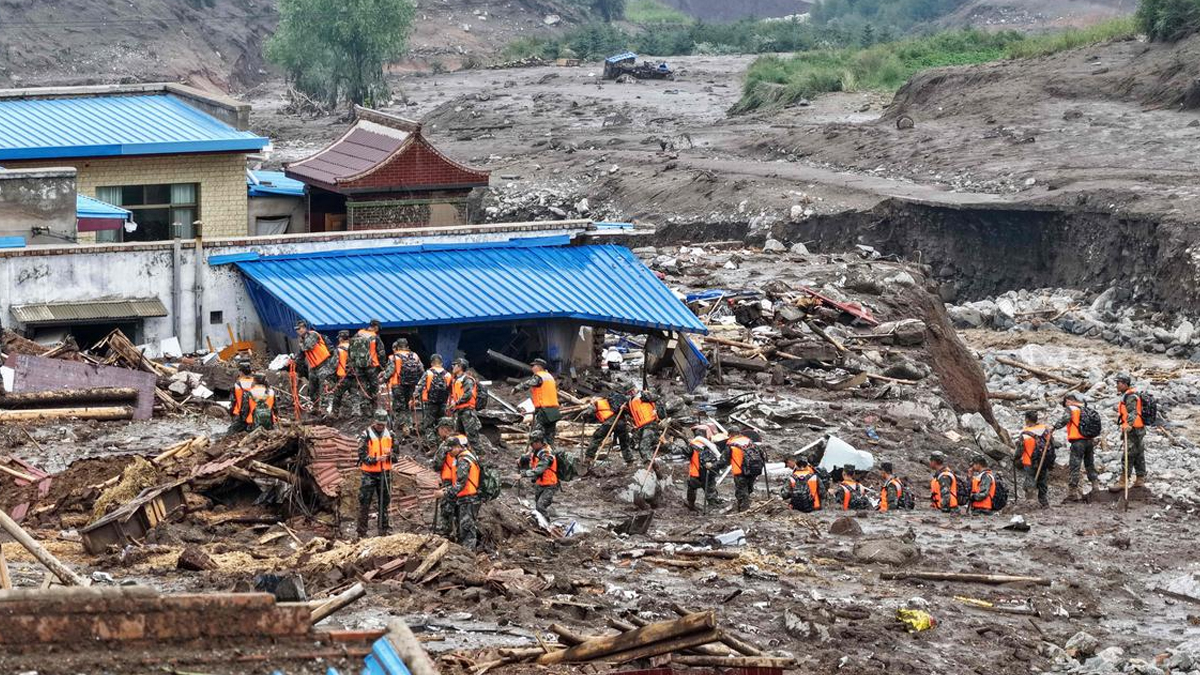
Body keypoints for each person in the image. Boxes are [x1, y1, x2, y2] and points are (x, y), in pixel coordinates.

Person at [356, 411, 397, 538]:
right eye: (379, 424)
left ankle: (383, 531)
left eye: (383, 424)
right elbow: (361, 455)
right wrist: (375, 459)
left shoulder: (390, 435)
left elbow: (396, 455)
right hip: (369, 474)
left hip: (385, 473)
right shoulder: (366, 435)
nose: (380, 427)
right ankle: (362, 533)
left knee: (384, 503)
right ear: (374, 422)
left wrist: (390, 456)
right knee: (364, 503)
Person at [1054, 393, 1099, 500]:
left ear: (1069, 400)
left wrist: (1054, 427)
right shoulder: (1086, 409)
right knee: (1090, 464)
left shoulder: (1071, 409)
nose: (1066, 405)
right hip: (1089, 440)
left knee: (1075, 465)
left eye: (1065, 403)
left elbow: (1064, 420)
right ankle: (1095, 486)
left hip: (1078, 441)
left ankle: (1072, 492)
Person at [381, 338, 424, 436]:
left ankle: (402, 429)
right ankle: (409, 425)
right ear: (407, 346)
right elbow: (421, 370)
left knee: (399, 407)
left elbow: (390, 371)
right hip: (411, 384)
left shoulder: (393, 357)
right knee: (408, 405)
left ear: (397, 346)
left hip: (398, 385)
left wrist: (383, 379)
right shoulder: (415, 355)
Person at [446, 436, 481, 549]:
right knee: (464, 527)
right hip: (467, 497)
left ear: (457, 447)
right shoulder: (464, 456)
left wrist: (445, 492)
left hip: (468, 498)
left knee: (467, 529)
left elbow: (461, 483)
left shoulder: (463, 460)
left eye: (450, 449)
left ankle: (468, 553)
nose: (449, 453)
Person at [514, 358, 560, 444]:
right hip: (553, 411)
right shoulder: (549, 376)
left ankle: (538, 451)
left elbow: (529, 383)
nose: (532, 368)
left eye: (533, 366)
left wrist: (517, 387)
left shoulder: (539, 376)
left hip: (544, 410)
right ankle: (550, 450)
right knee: (549, 435)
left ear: (539, 367)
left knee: (538, 435)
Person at [413, 354, 453, 449]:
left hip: (430, 403)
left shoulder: (428, 373)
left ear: (431, 363)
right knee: (441, 424)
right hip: (443, 403)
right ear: (441, 363)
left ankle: (433, 446)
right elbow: (451, 390)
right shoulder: (448, 375)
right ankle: (442, 444)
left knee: (428, 425)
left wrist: (415, 398)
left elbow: (420, 386)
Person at [447, 358, 487, 454]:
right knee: (460, 436)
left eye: (455, 365)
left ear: (460, 367)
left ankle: (481, 458)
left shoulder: (467, 380)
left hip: (467, 412)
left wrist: (456, 403)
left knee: (472, 439)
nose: (453, 367)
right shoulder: (456, 380)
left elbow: (468, 394)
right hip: (460, 411)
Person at [1116, 374, 1149, 488]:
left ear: (1125, 384)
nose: (1117, 385)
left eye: (1118, 383)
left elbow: (1133, 412)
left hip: (1133, 429)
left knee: (1128, 454)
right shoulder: (1131, 394)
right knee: (1139, 453)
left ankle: (1123, 481)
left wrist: (1128, 425)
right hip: (1139, 428)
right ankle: (1140, 479)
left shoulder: (1130, 396)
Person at [294, 320, 334, 412]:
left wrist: (300, 345)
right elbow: (301, 355)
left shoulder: (312, 335)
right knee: (312, 388)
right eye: (297, 329)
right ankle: (315, 407)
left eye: (300, 328)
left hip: (324, 364)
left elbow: (308, 346)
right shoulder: (302, 340)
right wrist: (294, 361)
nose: (299, 331)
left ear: (305, 328)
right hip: (313, 367)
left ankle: (324, 409)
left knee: (324, 387)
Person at [1014, 411, 1052, 507]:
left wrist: (1015, 458)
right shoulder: (1045, 430)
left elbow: (1019, 450)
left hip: (1029, 461)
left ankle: (1031, 502)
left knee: (1030, 480)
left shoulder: (1025, 434)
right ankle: (1043, 502)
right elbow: (1052, 444)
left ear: (1027, 419)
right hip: (1044, 461)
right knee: (1042, 481)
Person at [584, 391, 632, 466]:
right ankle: (629, 460)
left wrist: (583, 416)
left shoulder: (597, 403)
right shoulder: (613, 402)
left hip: (609, 423)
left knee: (597, 438)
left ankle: (588, 457)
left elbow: (588, 412)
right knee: (624, 442)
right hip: (621, 423)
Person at [431, 417, 461, 537]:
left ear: (444, 429)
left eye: (439, 430)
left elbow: (437, 465)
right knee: (460, 509)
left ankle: (446, 532)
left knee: (447, 507)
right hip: (464, 480)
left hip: (449, 479)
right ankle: (458, 532)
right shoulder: (463, 440)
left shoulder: (446, 444)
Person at [348, 320, 386, 416]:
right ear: (376, 327)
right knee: (374, 386)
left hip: (359, 366)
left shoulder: (358, 333)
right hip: (372, 366)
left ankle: (364, 407)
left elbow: (350, 349)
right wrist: (383, 366)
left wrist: (353, 363)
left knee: (362, 386)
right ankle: (375, 407)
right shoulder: (375, 337)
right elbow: (381, 353)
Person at [523, 430, 558, 519]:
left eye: (532, 444)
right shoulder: (537, 450)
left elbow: (539, 469)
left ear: (538, 442)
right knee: (538, 507)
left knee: (540, 506)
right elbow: (532, 461)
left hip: (549, 485)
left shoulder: (547, 454)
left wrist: (523, 474)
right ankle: (540, 522)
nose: (531, 446)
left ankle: (547, 524)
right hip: (540, 483)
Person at [686, 435, 723, 512]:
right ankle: (713, 507)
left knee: (692, 488)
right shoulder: (712, 447)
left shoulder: (692, 447)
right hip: (709, 473)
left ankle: (691, 505)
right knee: (710, 491)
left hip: (697, 474)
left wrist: (666, 443)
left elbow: (679, 451)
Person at [627, 388, 661, 462]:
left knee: (643, 445)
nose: (631, 392)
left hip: (650, 423)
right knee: (633, 443)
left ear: (635, 389)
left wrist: (646, 394)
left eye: (632, 390)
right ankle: (658, 446)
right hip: (641, 426)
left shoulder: (642, 395)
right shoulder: (630, 401)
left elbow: (656, 397)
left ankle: (649, 461)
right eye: (629, 392)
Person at [727, 434, 759, 512]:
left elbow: (724, 460)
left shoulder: (731, 444)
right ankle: (745, 506)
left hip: (740, 471)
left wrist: (714, 467)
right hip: (752, 470)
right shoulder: (749, 441)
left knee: (742, 490)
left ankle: (743, 509)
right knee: (748, 488)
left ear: (731, 434)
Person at [329, 330, 353, 415]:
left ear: (341, 338)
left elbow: (334, 364)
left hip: (343, 376)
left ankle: (334, 413)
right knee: (355, 396)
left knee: (337, 395)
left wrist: (331, 376)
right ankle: (356, 414)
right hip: (354, 375)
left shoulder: (339, 349)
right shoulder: (354, 347)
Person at [228, 360, 255, 433]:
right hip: (254, 413)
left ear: (241, 372)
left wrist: (233, 412)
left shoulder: (238, 384)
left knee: (232, 432)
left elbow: (235, 400)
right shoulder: (256, 382)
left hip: (241, 414)